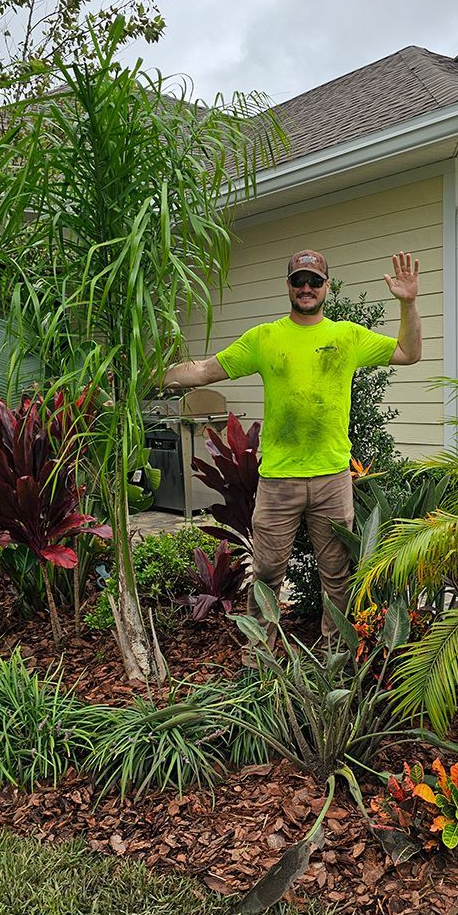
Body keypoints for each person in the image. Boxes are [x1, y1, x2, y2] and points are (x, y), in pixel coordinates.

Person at [163, 249, 422, 644]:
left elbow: (409, 353)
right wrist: (144, 372)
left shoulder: (347, 336)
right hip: (278, 481)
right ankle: (260, 660)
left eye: (314, 281)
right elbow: (202, 370)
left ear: (326, 287)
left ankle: (336, 659)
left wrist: (408, 304)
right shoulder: (265, 338)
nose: (306, 287)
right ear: (288, 286)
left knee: (337, 577)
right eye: (299, 280)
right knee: (267, 574)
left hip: (332, 478)